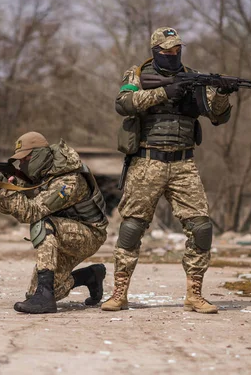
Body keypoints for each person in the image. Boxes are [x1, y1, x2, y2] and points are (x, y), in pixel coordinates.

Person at [101, 27, 236, 314]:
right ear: (155, 51)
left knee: (201, 228)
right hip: (146, 161)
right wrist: (165, 92)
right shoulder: (137, 74)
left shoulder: (195, 77)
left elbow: (218, 116)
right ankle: (119, 292)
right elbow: (123, 103)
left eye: (177, 50)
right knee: (132, 228)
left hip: (184, 164)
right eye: (168, 51)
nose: (174, 55)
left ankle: (194, 294)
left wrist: (222, 94)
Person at [0, 131, 109, 314]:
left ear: (39, 154)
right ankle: (90, 276)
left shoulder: (68, 181)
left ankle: (45, 299)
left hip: (89, 234)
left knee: (43, 223)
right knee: (34, 293)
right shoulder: (45, 174)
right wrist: (3, 185)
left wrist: (7, 188)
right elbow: (11, 208)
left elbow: (32, 212)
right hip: (65, 233)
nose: (21, 164)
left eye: (25, 159)